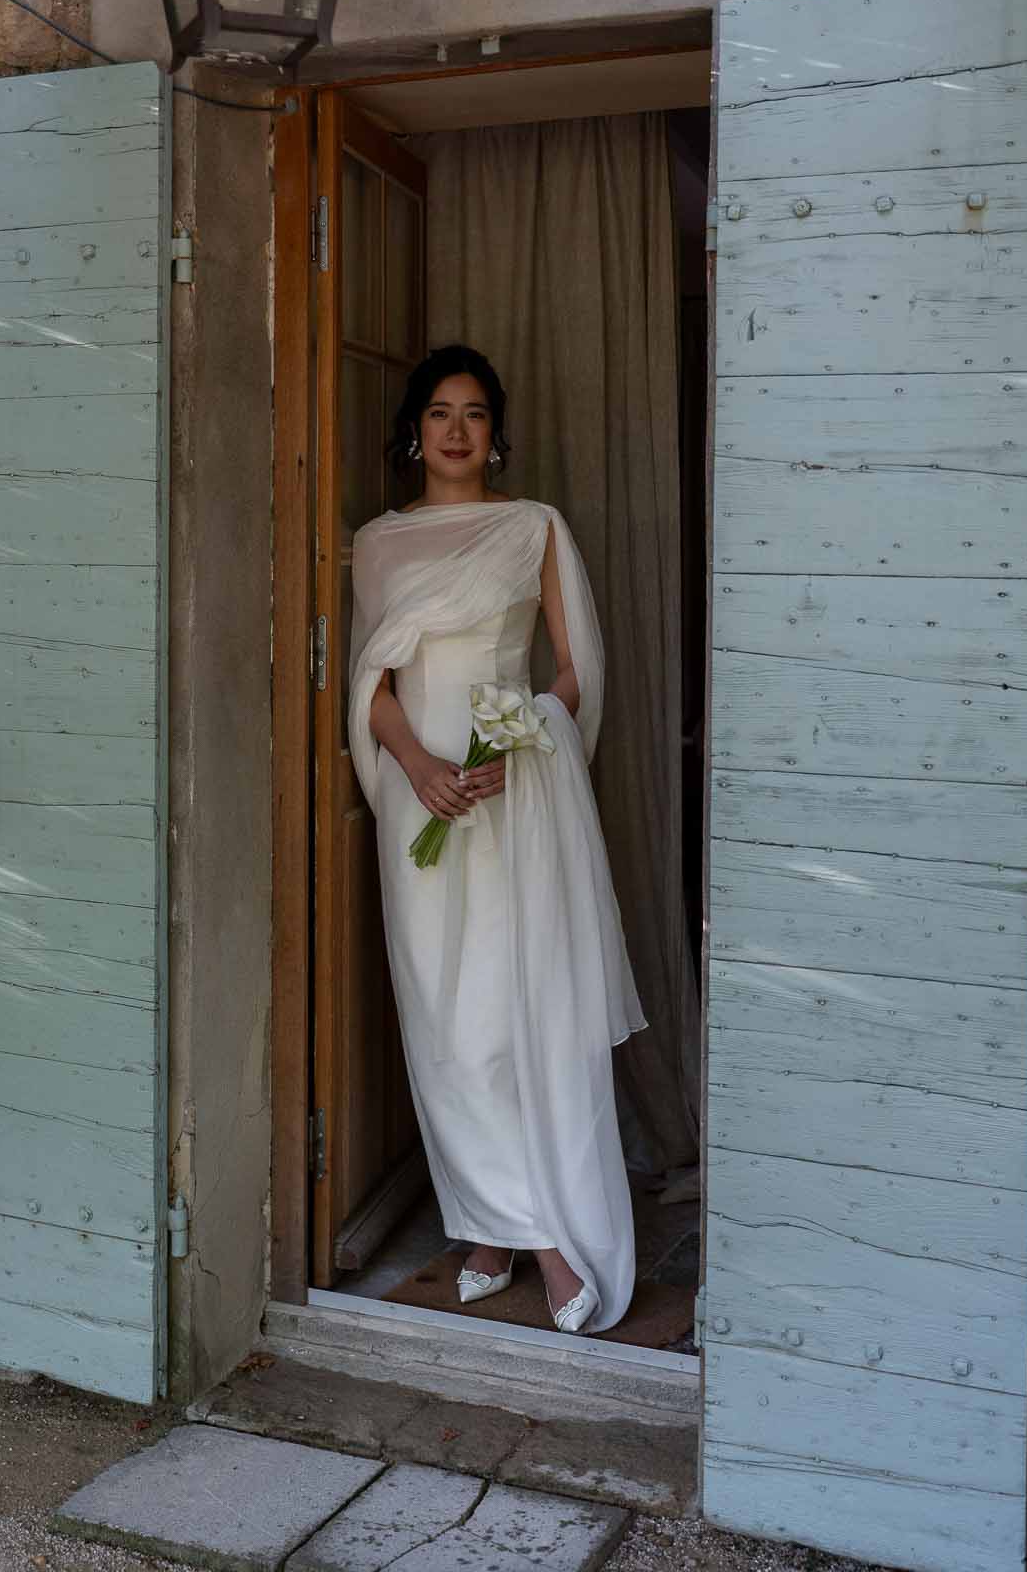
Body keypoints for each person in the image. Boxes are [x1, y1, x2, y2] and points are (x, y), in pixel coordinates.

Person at [348, 345, 646, 1335]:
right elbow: (370, 684)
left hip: (515, 798)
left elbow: (574, 670)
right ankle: (485, 1228)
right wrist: (417, 766)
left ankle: (544, 1238)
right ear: (413, 430)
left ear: (495, 432)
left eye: (474, 412)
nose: (456, 429)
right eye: (439, 411)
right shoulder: (378, 542)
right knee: (443, 1023)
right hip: (419, 801)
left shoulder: (534, 526)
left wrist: (523, 748)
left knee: (512, 1018)